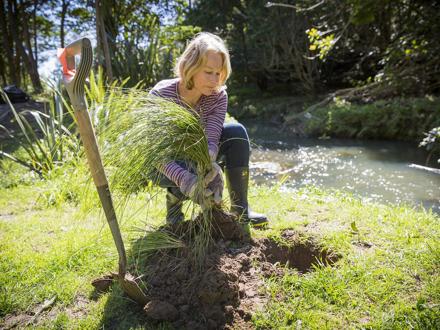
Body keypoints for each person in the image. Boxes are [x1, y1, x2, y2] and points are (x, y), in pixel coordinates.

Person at [149, 32, 268, 226]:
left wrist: (210, 164)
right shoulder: (161, 95)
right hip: (162, 161)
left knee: (236, 133)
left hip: (195, 152)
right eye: (208, 72)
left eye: (218, 73)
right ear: (190, 67)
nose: (214, 80)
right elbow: (156, 154)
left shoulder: (217, 96)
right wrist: (185, 179)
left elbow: (212, 138)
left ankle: (241, 209)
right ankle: (174, 197)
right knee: (186, 172)